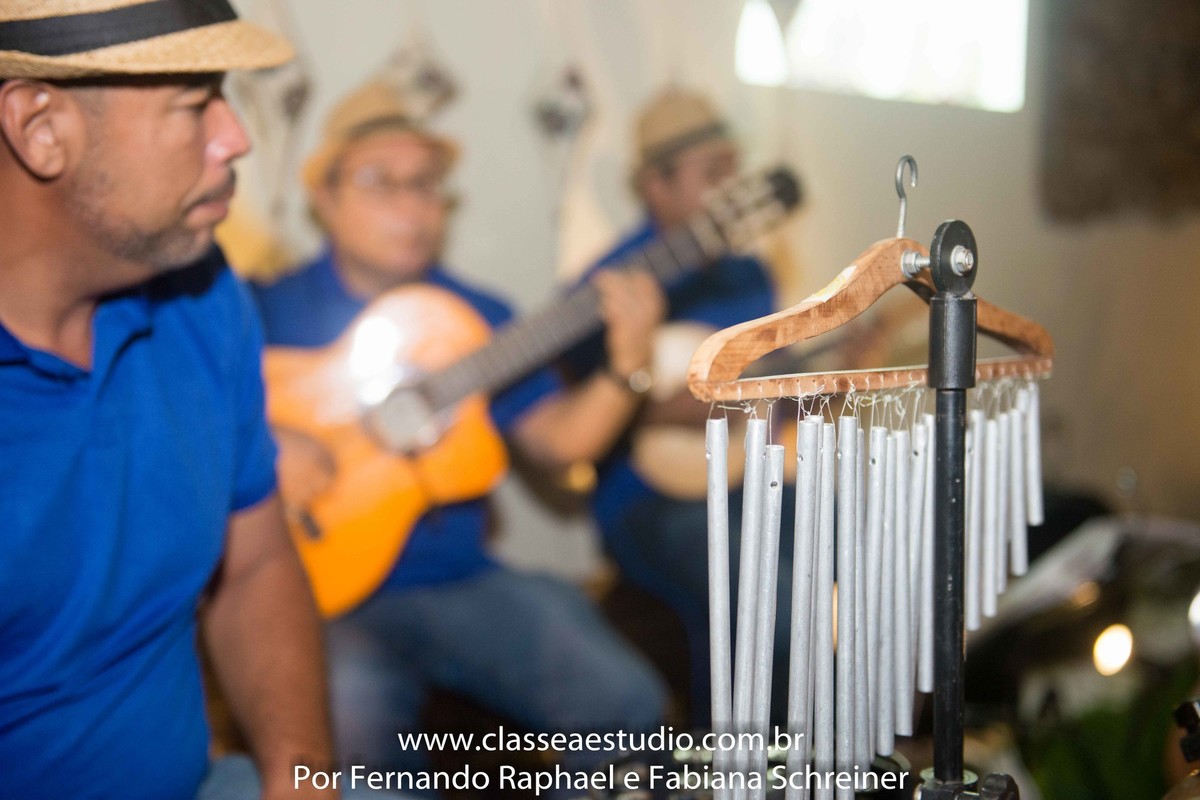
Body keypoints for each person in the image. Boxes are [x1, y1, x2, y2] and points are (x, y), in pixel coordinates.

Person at [0, 3, 407, 799]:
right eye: (194, 103)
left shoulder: (201, 289)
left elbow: (254, 562)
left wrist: (302, 776)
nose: (236, 136)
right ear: (40, 126)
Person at [252, 78, 669, 778]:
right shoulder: (261, 309)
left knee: (629, 703)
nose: (413, 207)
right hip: (317, 597)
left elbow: (560, 441)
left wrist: (626, 369)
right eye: (382, 182)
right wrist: (265, 446)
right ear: (323, 197)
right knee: (350, 744)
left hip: (462, 581)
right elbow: (176, 430)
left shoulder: (478, 316)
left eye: (427, 185)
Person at [563, 87, 796, 724]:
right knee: (761, 598)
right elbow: (571, 407)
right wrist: (674, 407)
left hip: (747, 477)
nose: (729, 189)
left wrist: (813, 384)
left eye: (733, 171)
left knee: (859, 529)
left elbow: (769, 395)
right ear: (654, 186)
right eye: (711, 174)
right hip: (646, 501)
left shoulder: (751, 275)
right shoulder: (607, 285)